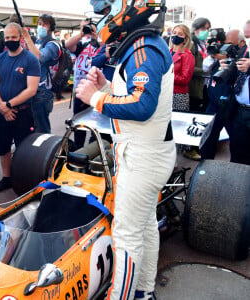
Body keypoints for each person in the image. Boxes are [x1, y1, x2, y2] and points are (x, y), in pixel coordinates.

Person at [76, 1, 176, 299]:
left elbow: (142, 105)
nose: (103, 17)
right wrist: (107, 87)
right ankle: (143, 290)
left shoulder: (144, 48)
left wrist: (96, 98)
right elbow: (140, 96)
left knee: (126, 236)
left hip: (143, 156)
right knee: (145, 226)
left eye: (107, 9)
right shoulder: (146, 44)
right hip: (150, 151)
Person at [0, 22, 40, 193]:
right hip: (1, 112)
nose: (10, 40)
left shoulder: (30, 59)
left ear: (20, 38)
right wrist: (2, 107)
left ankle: (23, 179)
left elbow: (31, 89)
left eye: (14, 37)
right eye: (7, 38)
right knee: (3, 147)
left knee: (23, 148)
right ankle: (7, 178)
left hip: (23, 112)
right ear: (4, 39)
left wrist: (9, 105)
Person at [200, 29, 246, 160]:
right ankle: (205, 169)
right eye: (225, 43)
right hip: (214, 105)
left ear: (241, 43)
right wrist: (214, 57)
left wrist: (233, 63)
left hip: (231, 107)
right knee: (207, 139)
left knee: (237, 145)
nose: (226, 47)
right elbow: (206, 68)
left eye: (230, 43)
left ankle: (235, 172)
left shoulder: (243, 59)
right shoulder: (220, 57)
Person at [65, 19, 101, 149]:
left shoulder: (99, 44)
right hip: (80, 90)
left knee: (97, 125)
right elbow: (68, 45)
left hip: (97, 91)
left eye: (88, 27)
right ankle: (80, 150)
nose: (86, 29)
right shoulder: (81, 44)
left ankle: (94, 150)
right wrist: (81, 33)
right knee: (79, 125)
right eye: (83, 27)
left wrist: (96, 34)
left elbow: (106, 48)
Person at [22, 14, 61, 133]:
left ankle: (45, 150)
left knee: (42, 129)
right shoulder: (37, 42)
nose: (41, 26)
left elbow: (40, 57)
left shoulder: (53, 45)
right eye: (39, 24)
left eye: (45, 24)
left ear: (51, 28)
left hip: (43, 91)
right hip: (32, 89)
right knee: (31, 126)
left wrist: (27, 39)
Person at [227, 21, 250, 165]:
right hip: (240, 110)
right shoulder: (244, 50)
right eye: (246, 36)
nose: (247, 39)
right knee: (237, 152)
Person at [170, 24, 195, 111]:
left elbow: (185, 79)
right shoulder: (167, 52)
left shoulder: (187, 55)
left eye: (180, 34)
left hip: (178, 95)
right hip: (166, 92)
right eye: (174, 33)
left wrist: (168, 75)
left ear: (185, 39)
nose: (176, 36)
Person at [189, 17, 211, 112]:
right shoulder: (191, 44)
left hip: (203, 86)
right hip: (194, 89)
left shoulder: (204, 45)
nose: (206, 31)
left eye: (207, 29)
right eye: (203, 29)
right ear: (195, 30)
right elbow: (189, 68)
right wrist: (205, 71)